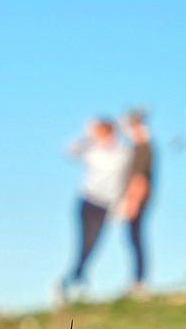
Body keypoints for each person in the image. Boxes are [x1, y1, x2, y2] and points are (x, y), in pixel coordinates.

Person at [57, 117, 131, 303]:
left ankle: (72, 281)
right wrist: (88, 136)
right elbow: (69, 150)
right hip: (88, 202)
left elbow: (123, 182)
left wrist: (117, 208)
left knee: (94, 245)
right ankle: (74, 281)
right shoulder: (91, 149)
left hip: (106, 206)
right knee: (84, 244)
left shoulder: (122, 153)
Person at [118, 107, 154, 297]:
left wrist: (132, 203)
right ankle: (138, 280)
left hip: (137, 203)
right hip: (137, 202)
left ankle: (139, 281)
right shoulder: (139, 147)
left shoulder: (143, 148)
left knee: (136, 240)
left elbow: (139, 179)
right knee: (134, 240)